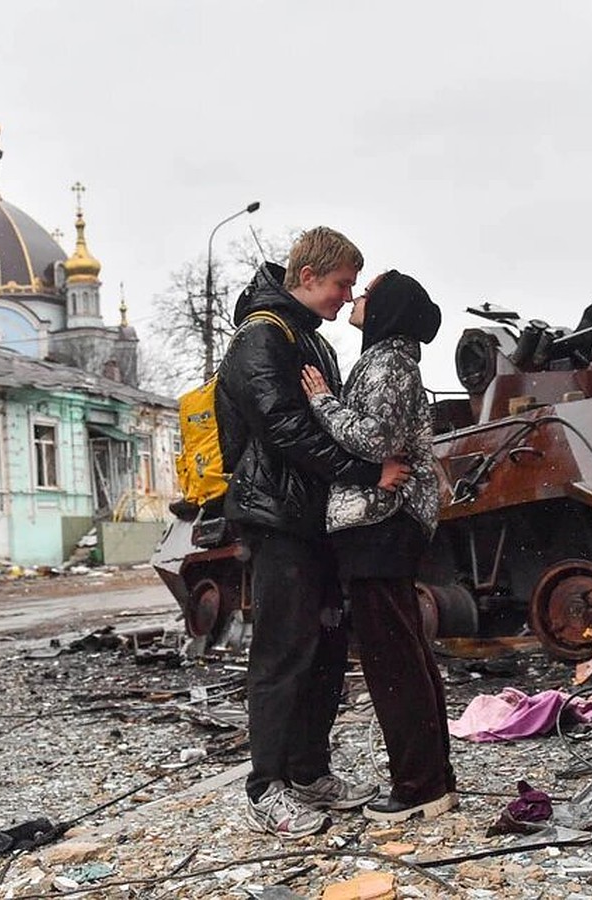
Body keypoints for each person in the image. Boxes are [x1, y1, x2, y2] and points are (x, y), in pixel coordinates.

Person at [215, 227, 412, 839]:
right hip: (278, 518)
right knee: (282, 652)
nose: (345, 296)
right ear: (307, 278)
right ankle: (265, 786)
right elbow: (286, 431)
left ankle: (308, 771)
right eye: (341, 285)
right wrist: (367, 473)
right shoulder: (261, 338)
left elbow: (332, 423)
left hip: (316, 517)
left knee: (324, 649)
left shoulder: (311, 342)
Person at [300, 269, 457, 823]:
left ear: (388, 309)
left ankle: (419, 787)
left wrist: (322, 402)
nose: (357, 298)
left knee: (392, 660)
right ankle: (433, 778)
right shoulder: (389, 360)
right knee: (406, 653)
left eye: (369, 293)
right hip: (385, 523)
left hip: (381, 521)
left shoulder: (388, 362)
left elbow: (378, 440)